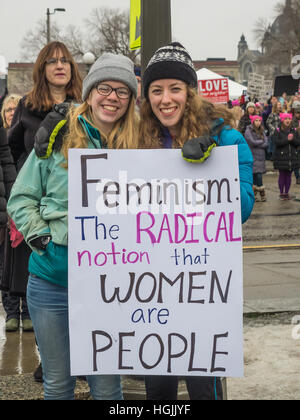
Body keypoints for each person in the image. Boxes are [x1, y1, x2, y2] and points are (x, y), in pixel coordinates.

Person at [7, 52, 139, 400]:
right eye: (104, 88)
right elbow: (20, 198)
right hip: (52, 283)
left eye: (122, 91)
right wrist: (44, 240)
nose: (112, 97)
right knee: (58, 384)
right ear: (90, 91)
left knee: (108, 387)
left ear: (130, 100)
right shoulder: (58, 136)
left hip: (111, 288)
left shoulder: (141, 146)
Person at [139, 42, 254, 400]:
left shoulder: (226, 137)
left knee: (204, 385)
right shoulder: (137, 139)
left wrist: (213, 164)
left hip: (199, 287)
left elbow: (244, 208)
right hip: (149, 288)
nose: (165, 99)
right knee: (158, 388)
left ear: (190, 93)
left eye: (175, 88)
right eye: (156, 90)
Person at [5, 41, 82, 381]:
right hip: (36, 207)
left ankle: (79, 353)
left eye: (65, 61)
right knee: (38, 284)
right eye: (52, 61)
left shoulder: (84, 105)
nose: (60, 66)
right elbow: (13, 149)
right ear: (42, 69)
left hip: (72, 206)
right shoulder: (27, 106)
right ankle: (46, 356)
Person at [0, 94, 32, 332]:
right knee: (6, 264)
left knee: (28, 261)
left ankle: (28, 311)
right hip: (6, 211)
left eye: (15, 109)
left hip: (19, 205)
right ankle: (12, 311)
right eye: (8, 109)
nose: (12, 112)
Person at [273, 113, 300, 200]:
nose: (288, 120)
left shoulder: (294, 130)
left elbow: (298, 143)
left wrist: (292, 140)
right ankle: (281, 193)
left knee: (289, 175)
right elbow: (276, 142)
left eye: (289, 119)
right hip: (281, 157)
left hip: (291, 157)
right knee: (282, 175)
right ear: (282, 120)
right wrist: (287, 139)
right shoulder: (277, 130)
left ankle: (286, 193)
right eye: (286, 119)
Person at [244, 115, 268, 202]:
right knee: (255, 175)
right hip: (252, 155)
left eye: (259, 120)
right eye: (256, 120)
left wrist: (260, 143)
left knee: (258, 175)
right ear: (253, 121)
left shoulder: (262, 130)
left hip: (261, 156)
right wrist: (261, 142)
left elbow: (266, 142)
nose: (258, 122)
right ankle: (257, 193)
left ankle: (259, 193)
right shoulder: (248, 131)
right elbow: (252, 142)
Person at [291, 101, 300, 184]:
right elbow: (292, 131)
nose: (299, 114)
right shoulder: (292, 121)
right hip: (296, 144)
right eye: (297, 113)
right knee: (296, 162)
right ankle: (298, 177)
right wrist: (297, 128)